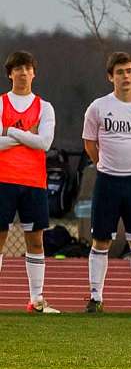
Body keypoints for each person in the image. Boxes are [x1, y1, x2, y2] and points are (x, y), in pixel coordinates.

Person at [82, 52, 131, 313]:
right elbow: (90, 144)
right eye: (119, 72)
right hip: (107, 181)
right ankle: (95, 297)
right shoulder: (97, 108)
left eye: (128, 71)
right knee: (100, 240)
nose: (125, 76)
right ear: (110, 77)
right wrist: (105, 164)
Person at [0, 51, 58, 313]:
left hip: (33, 182)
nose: (23, 73)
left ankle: (36, 300)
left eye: (28, 68)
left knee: (35, 242)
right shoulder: (1, 104)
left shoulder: (44, 107)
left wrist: (9, 131)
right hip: (3, 179)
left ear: (34, 72)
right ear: (10, 73)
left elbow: (44, 142)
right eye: (18, 68)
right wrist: (26, 135)